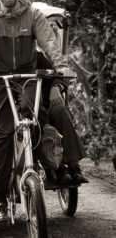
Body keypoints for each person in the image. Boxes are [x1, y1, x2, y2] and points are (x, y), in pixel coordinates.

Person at [0, 0, 74, 223]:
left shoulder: (33, 15)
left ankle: (44, 164)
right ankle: (1, 200)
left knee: (35, 116)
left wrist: (60, 65)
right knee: (2, 135)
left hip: (27, 77)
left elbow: (49, 42)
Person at [37, 51, 88, 184]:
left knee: (60, 111)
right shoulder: (2, 60)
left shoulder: (37, 57)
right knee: (37, 119)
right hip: (24, 111)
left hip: (47, 105)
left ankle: (74, 166)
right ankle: (58, 168)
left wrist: (56, 87)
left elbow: (59, 76)